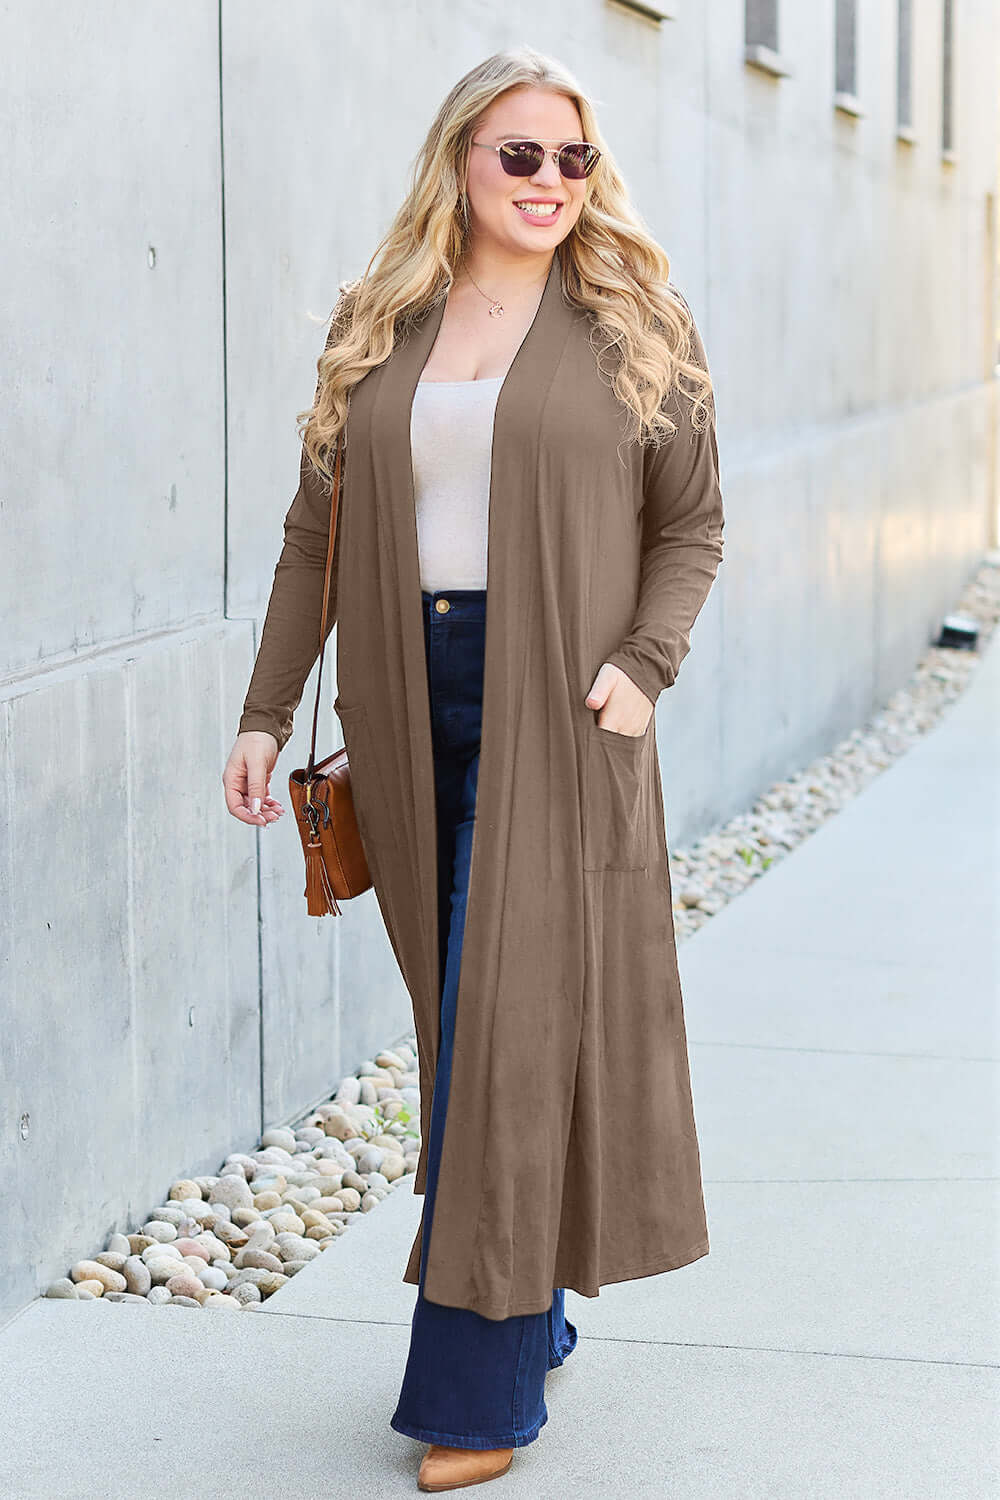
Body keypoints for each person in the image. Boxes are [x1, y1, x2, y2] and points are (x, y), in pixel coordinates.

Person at [223, 46, 725, 1495]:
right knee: (472, 1026)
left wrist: (644, 664)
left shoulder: (638, 323)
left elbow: (691, 526)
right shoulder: (379, 325)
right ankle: (536, 1290)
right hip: (404, 695)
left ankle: (477, 1385)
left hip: (565, 706)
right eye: (522, 156)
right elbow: (315, 539)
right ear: (459, 161)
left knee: (508, 1024)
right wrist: (265, 713)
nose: (553, 183)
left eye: (574, 159)